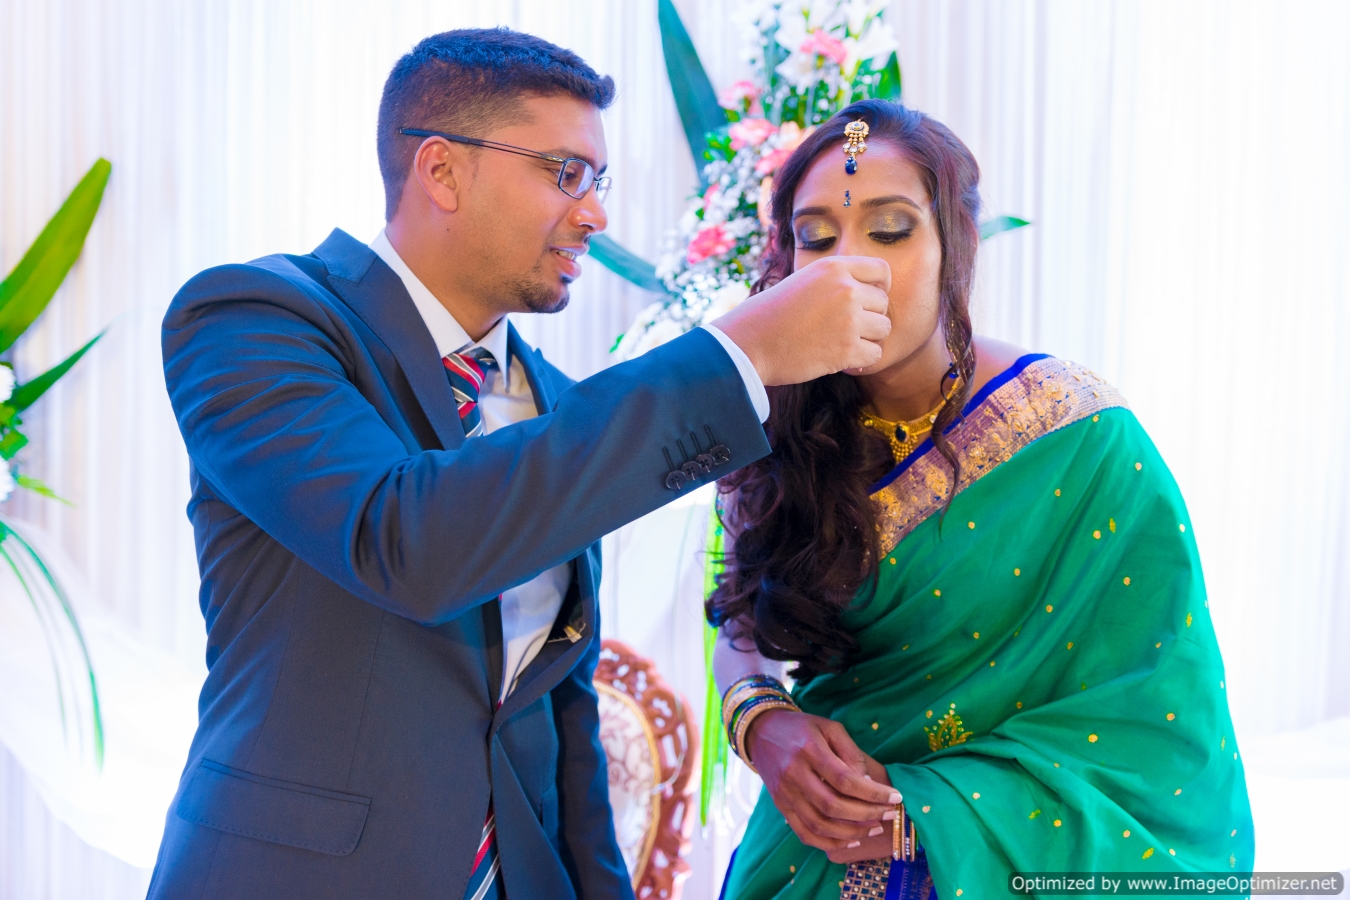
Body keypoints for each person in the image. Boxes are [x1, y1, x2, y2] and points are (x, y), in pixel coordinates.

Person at [149, 29, 897, 900]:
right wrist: (737, 356)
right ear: (441, 170)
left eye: (598, 181)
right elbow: (406, 539)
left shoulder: (555, 405)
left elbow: (560, 720)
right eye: (564, 173)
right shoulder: (255, 319)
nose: (595, 215)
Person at [709, 99, 1254, 900]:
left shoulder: (1080, 439)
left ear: (955, 246)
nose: (844, 268)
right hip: (817, 840)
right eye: (816, 238)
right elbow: (741, 620)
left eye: (889, 230)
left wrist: (936, 815)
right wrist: (763, 721)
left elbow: (1161, 722)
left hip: (1015, 852)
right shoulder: (777, 422)